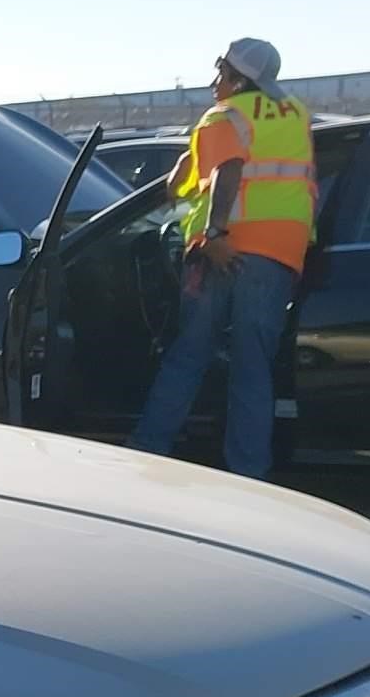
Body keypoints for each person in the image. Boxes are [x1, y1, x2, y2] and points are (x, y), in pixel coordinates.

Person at [125, 38, 316, 478]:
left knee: (188, 356)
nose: (215, 82)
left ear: (238, 77)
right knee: (253, 369)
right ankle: (249, 475)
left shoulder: (222, 117)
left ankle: (148, 452)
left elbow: (217, 173)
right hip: (280, 255)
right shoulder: (297, 115)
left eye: (221, 72)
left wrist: (214, 233)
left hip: (222, 251)